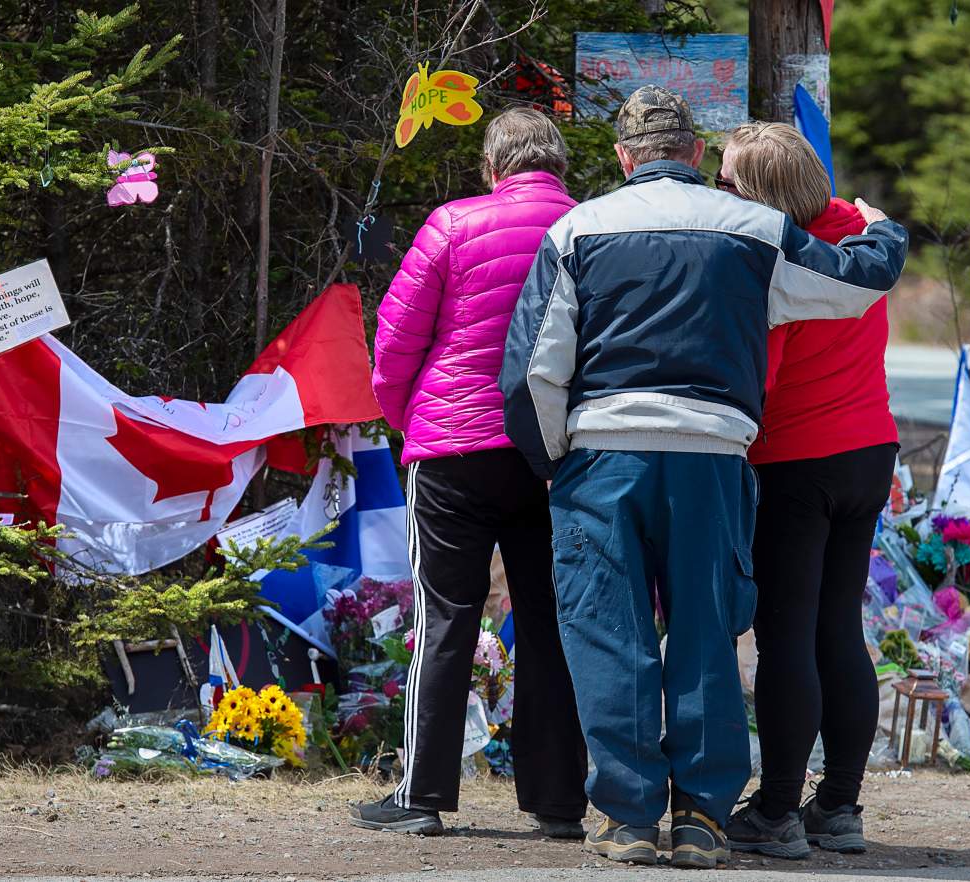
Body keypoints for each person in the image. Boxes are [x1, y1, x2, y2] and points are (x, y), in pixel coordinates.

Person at [499, 86, 908, 869]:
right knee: (707, 639)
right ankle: (704, 821)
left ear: (623, 159)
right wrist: (886, 229)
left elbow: (530, 373)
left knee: (609, 637)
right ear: (693, 155)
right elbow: (858, 279)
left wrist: (557, 461)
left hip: (603, 458)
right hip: (714, 457)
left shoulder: (576, 227)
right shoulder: (757, 228)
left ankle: (626, 819)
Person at [350, 107, 588, 837]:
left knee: (445, 615)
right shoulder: (591, 226)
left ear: (491, 168)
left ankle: (421, 796)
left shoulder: (453, 224)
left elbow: (394, 342)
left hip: (451, 448)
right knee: (551, 622)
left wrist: (410, 418)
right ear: (560, 168)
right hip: (553, 451)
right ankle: (557, 803)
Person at [720, 123, 899, 859]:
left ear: (761, 191)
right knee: (839, 630)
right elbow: (886, 231)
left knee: (786, 636)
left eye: (730, 180)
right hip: (870, 451)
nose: (721, 191)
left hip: (797, 460)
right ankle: (841, 805)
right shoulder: (857, 230)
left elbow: (759, 379)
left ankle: (775, 812)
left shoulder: (782, 261)